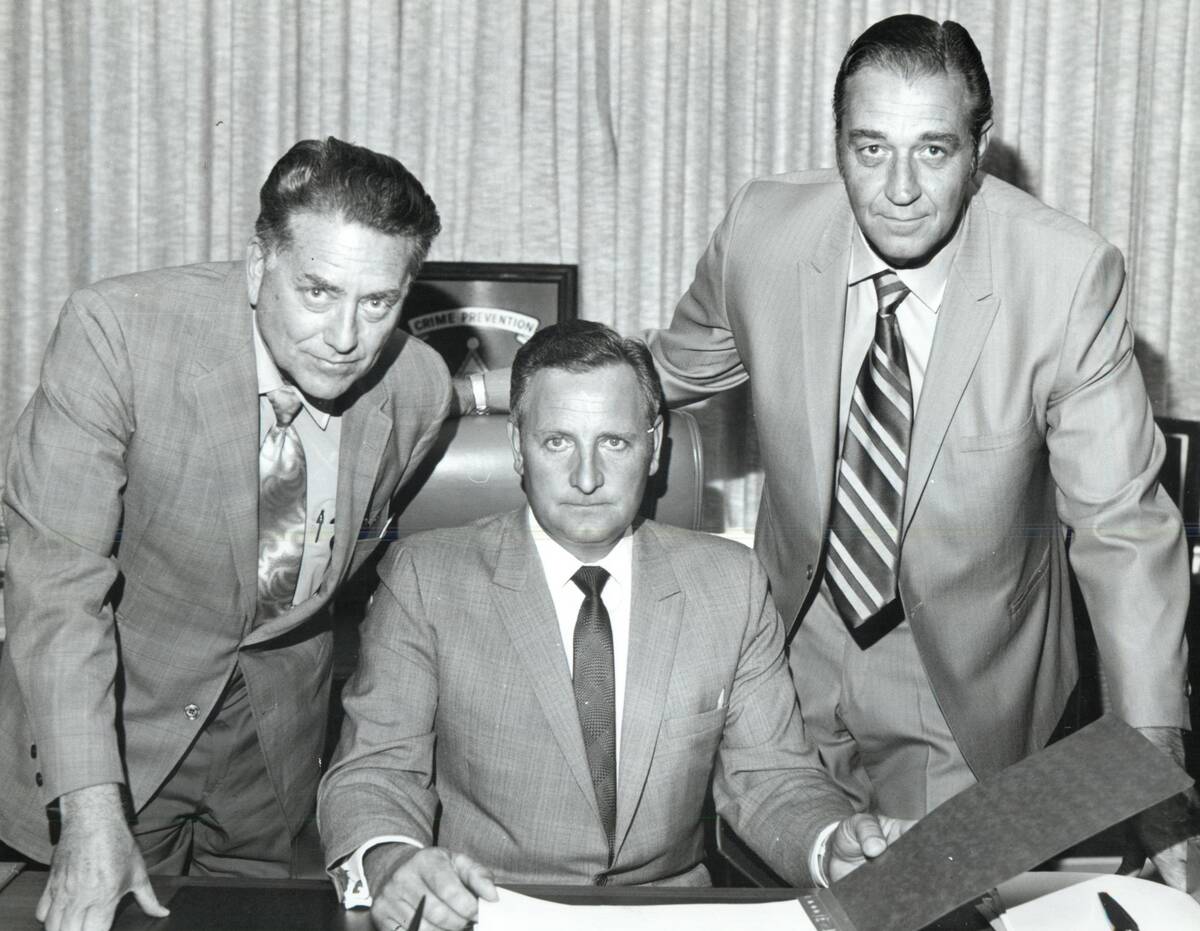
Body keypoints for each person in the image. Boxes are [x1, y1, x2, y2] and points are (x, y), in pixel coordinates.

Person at [638, 12, 1193, 886]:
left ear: (980, 149)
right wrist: (493, 389)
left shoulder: (1066, 278)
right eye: (869, 149)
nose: (898, 187)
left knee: (924, 902)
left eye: (933, 150)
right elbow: (667, 373)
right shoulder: (762, 232)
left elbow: (1122, 525)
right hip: (792, 645)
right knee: (789, 891)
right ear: (838, 143)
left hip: (966, 676)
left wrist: (1150, 760)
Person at [0, 136, 453, 931]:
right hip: (112, 723)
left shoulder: (419, 388)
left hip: (274, 753)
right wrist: (91, 810)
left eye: (378, 302)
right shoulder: (117, 333)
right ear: (257, 265)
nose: (345, 336)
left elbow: (350, 558)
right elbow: (55, 587)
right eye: (317, 290)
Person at [318, 320, 908, 931]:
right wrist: (393, 861)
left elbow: (771, 777)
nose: (587, 478)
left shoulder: (729, 583)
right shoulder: (426, 576)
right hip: (481, 909)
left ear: (654, 447)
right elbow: (378, 768)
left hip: (670, 914)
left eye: (615, 443)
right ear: (518, 447)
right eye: (557, 443)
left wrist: (827, 842)